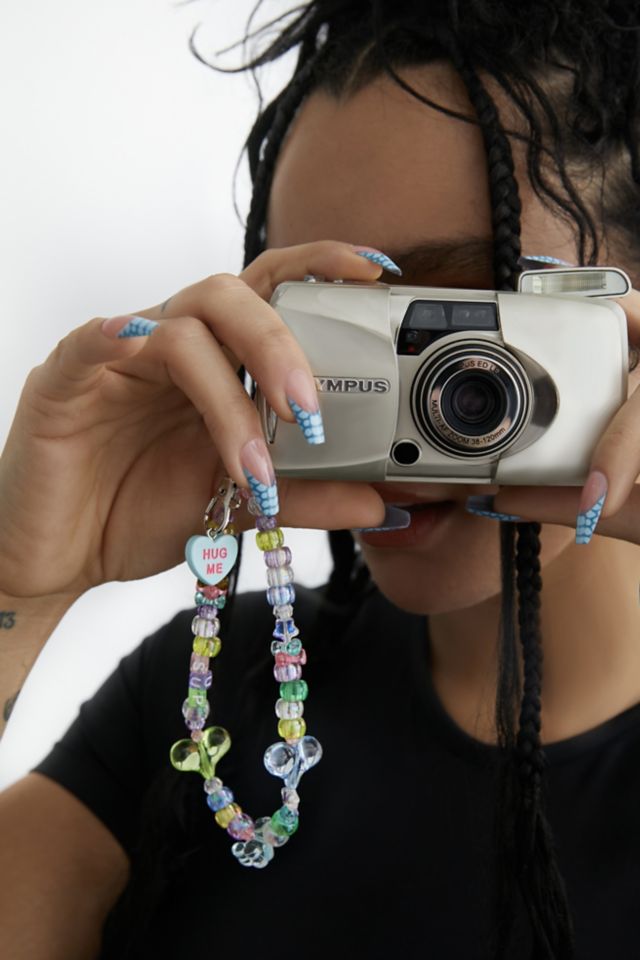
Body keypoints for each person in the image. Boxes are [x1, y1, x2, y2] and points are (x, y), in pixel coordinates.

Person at [1, 0, 640, 957]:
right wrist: (18, 589)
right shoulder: (206, 700)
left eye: (464, 320)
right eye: (335, 325)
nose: (399, 404)